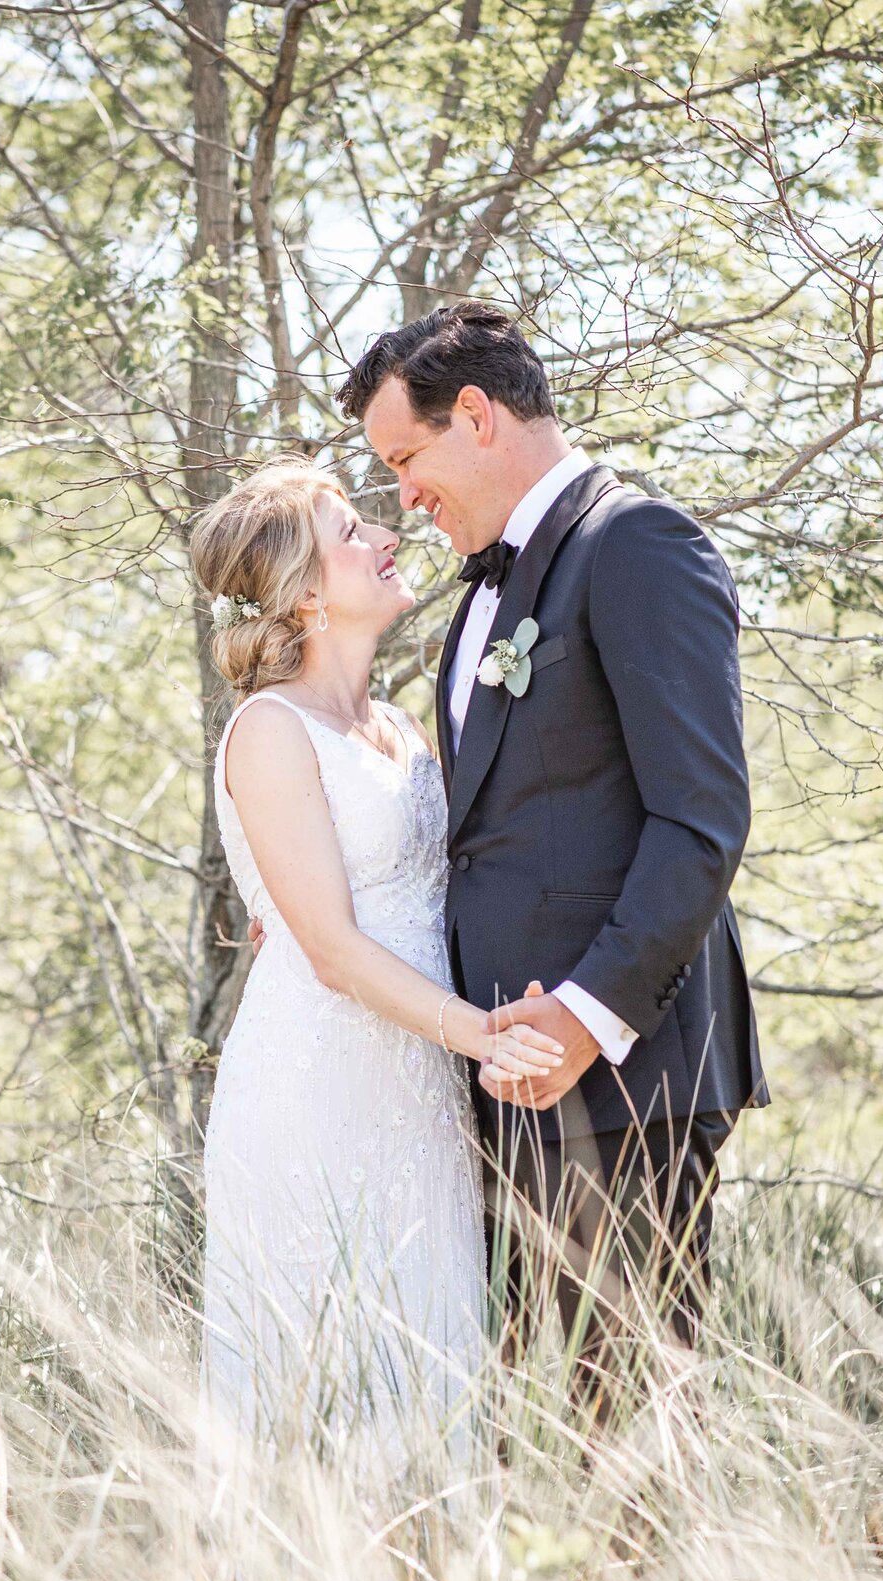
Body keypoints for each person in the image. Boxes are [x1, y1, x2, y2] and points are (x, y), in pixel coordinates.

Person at [337, 301, 768, 1431]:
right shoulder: (481, 595)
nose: (404, 497)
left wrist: (583, 1017)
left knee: (622, 1420)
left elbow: (700, 820)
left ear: (473, 415)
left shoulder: (637, 543)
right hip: (501, 1078)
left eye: (405, 459)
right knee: (535, 1421)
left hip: (622, 1077)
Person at [191, 459, 563, 1489]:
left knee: (432, 1370)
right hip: (317, 1091)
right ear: (305, 590)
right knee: (313, 1385)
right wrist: (479, 1035)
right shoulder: (269, 729)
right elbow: (327, 945)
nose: (385, 535)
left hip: (419, 1097)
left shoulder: (399, 727)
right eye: (350, 531)